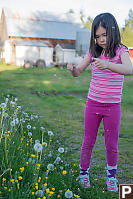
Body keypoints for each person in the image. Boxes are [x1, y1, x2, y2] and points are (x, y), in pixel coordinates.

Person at [67, 12, 133, 192]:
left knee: (111, 144)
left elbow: (129, 69)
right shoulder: (93, 51)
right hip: (93, 104)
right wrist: (73, 70)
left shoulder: (121, 50)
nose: (102, 40)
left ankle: (111, 176)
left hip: (112, 107)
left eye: (105, 35)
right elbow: (79, 71)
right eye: (97, 36)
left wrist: (108, 65)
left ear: (114, 32)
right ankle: (83, 172)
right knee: (88, 141)